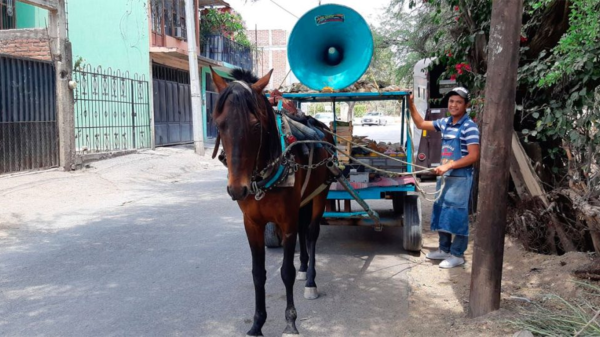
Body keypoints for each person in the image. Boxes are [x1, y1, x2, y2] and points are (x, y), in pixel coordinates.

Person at [408, 87, 480, 268]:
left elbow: (473, 156)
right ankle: (444, 249)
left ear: (466, 105)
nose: (454, 105)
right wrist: (410, 104)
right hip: (445, 176)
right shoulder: (445, 122)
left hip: (461, 177)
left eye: (458, 102)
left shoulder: (469, 127)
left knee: (457, 215)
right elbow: (420, 124)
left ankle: (457, 255)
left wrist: (448, 165)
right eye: (451, 101)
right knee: (442, 211)